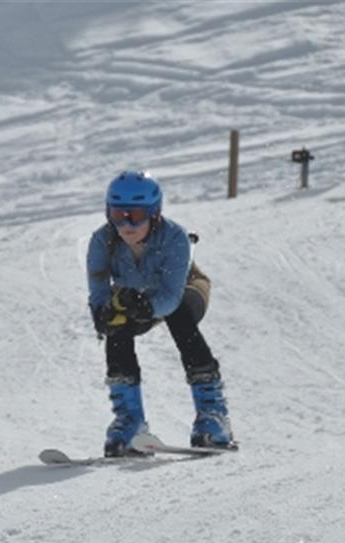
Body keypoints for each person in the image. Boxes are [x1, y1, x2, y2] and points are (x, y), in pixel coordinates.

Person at [87, 170, 235, 456]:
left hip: (182, 289)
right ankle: (130, 420)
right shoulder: (101, 242)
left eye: (136, 215)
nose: (127, 225)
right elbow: (99, 294)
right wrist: (104, 315)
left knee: (179, 316)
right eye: (119, 215)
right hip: (136, 297)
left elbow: (169, 297)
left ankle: (213, 415)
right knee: (117, 325)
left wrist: (145, 307)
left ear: (154, 213)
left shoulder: (174, 237)